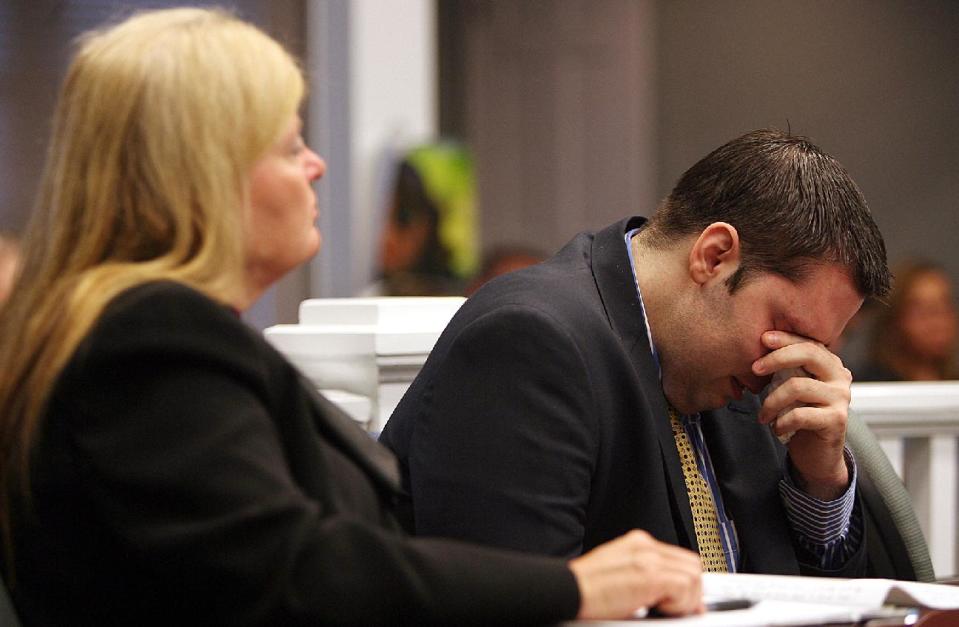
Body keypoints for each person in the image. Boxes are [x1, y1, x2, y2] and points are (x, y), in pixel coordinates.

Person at [0, 8, 705, 625]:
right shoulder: (150, 340)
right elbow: (299, 571)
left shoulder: (139, 331)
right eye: (288, 146)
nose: (317, 166)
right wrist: (572, 585)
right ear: (201, 176)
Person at [381, 129, 891, 578]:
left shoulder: (741, 366)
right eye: (787, 328)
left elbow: (821, 604)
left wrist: (820, 484)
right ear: (714, 257)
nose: (788, 364)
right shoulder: (530, 343)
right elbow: (517, 602)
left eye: (816, 347)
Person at [856, 259, 958, 381]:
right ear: (893, 320)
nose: (938, 321)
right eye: (921, 310)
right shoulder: (869, 387)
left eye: (945, 305)